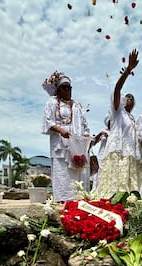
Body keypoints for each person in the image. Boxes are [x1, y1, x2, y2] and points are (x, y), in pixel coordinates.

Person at [96, 49, 142, 197]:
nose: (130, 98)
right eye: (127, 96)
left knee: (128, 191)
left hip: (130, 155)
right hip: (117, 151)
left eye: (133, 98)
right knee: (113, 189)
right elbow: (117, 89)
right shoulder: (117, 111)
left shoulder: (132, 118)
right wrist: (128, 70)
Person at [41, 71, 90, 202]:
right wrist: (60, 130)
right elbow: (48, 121)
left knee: (78, 175)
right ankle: (63, 201)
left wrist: (85, 134)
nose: (68, 90)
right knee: (63, 174)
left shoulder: (77, 105)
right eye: (64, 87)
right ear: (58, 90)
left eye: (69, 87)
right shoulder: (52, 102)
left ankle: (78, 201)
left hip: (77, 147)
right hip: (61, 145)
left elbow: (85, 125)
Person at [90, 114, 110, 189]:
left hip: (111, 156)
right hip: (102, 156)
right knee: (100, 174)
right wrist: (100, 134)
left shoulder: (117, 132)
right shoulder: (103, 131)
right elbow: (93, 143)